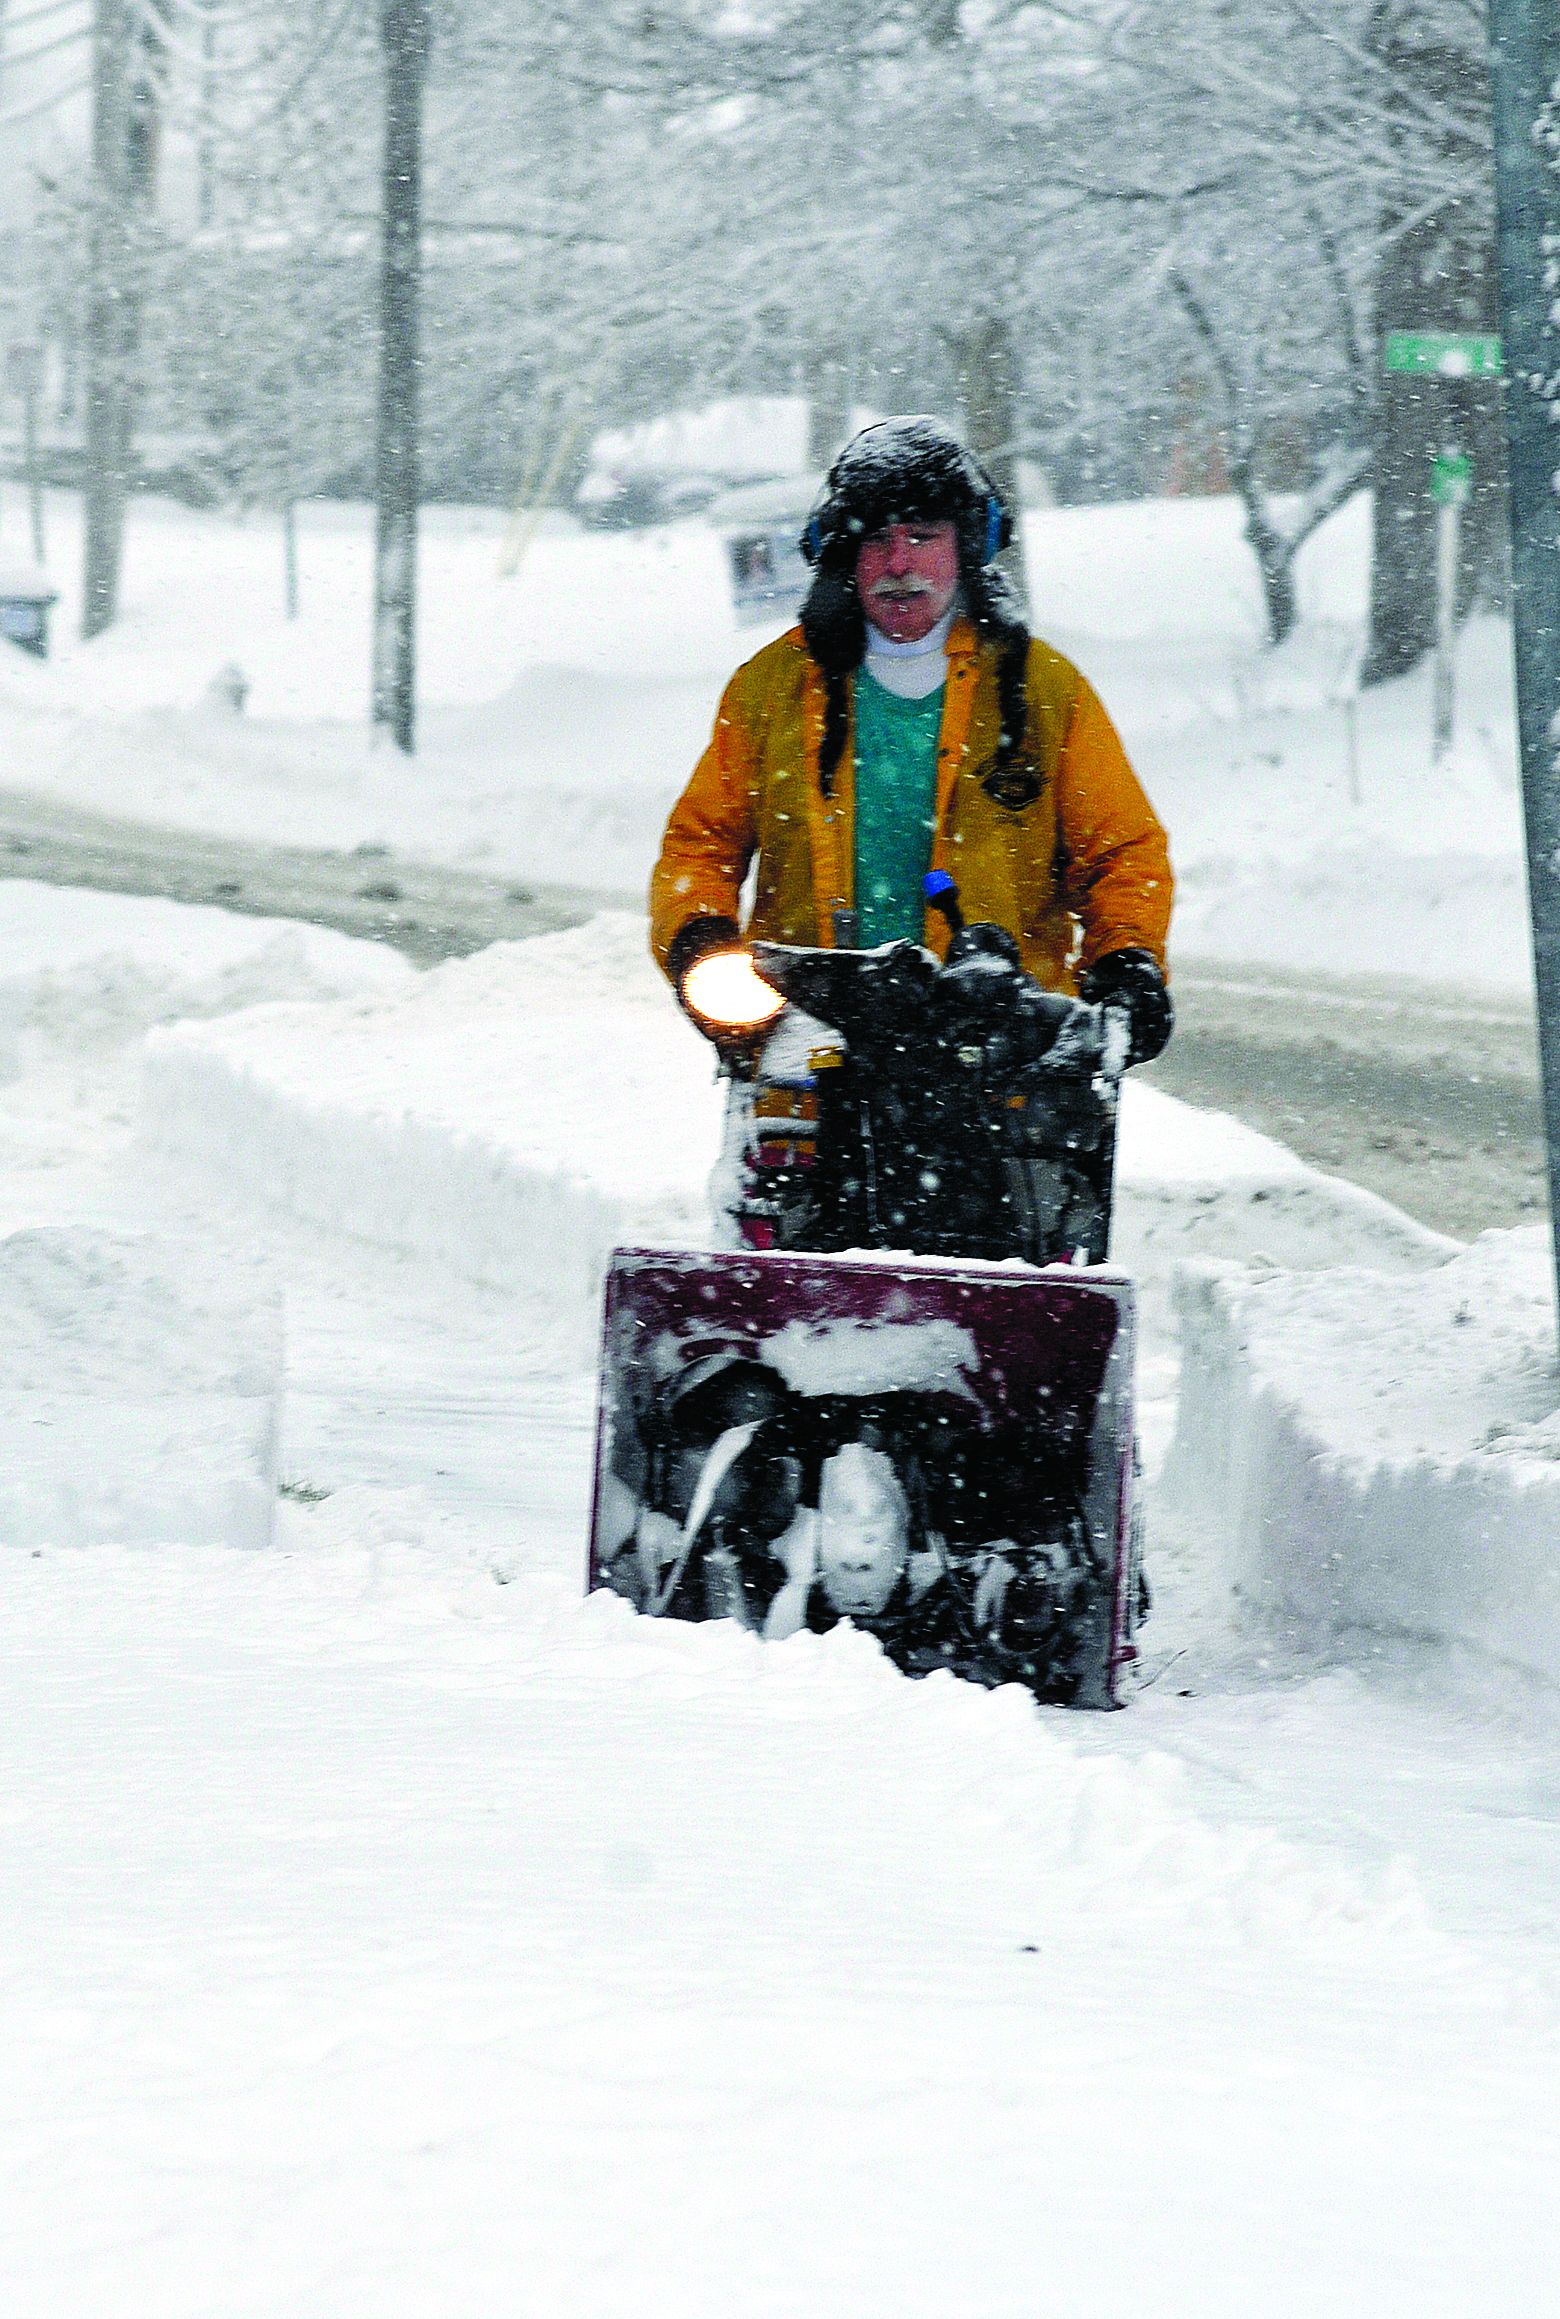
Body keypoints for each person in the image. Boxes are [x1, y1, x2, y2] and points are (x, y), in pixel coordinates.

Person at [650, 415, 1174, 1064]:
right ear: (843, 552)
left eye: (923, 537)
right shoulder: (770, 689)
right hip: (807, 1046)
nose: (899, 564)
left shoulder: (1044, 691)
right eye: (877, 541)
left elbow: (1122, 854)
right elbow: (700, 845)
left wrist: (1128, 959)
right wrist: (699, 938)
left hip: (1003, 1057)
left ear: (968, 544)